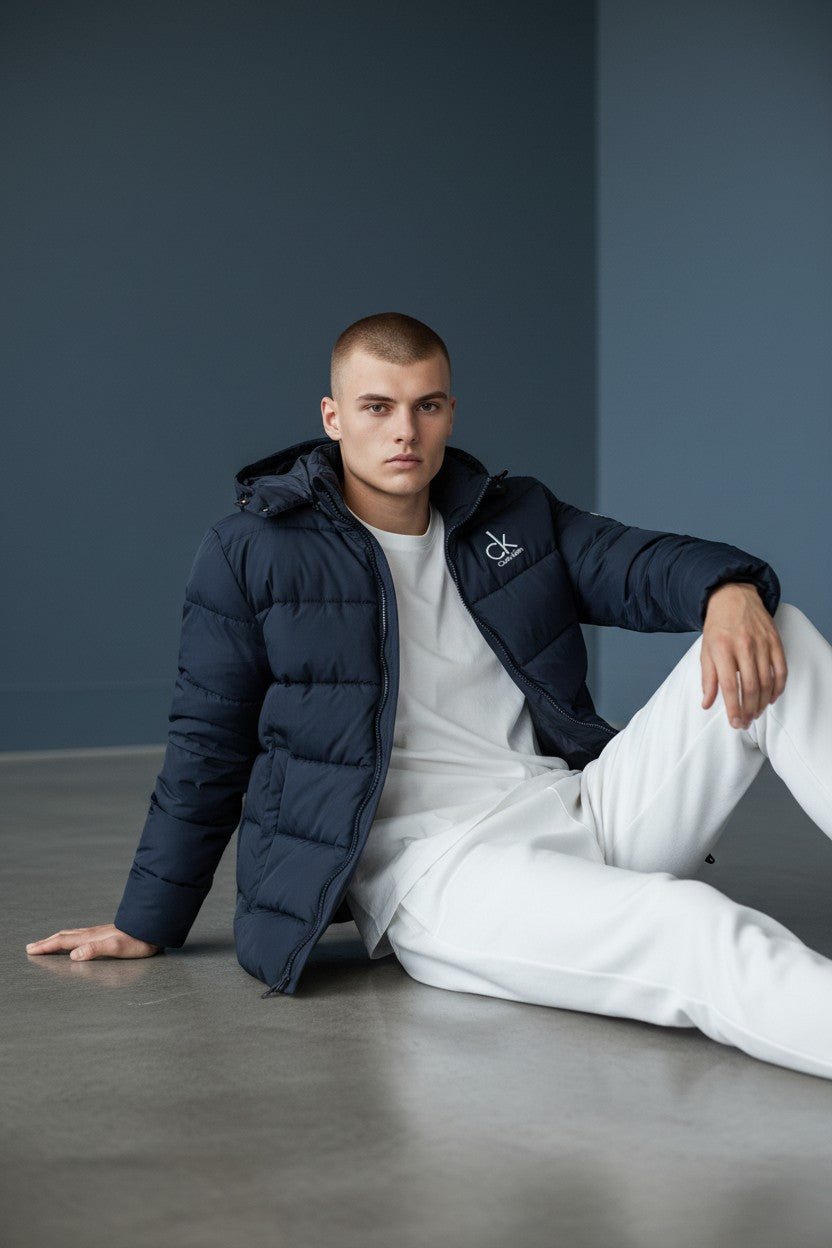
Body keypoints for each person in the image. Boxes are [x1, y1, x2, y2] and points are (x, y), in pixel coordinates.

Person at [26, 312, 832, 1080]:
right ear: (334, 416)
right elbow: (208, 744)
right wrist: (146, 921)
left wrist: (728, 588)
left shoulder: (507, 517)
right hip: (442, 869)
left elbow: (641, 563)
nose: (404, 432)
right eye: (377, 407)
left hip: (586, 810)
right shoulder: (254, 550)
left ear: (449, 412)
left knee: (776, 627)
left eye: (426, 406)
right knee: (689, 927)